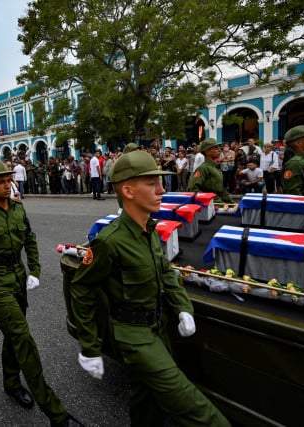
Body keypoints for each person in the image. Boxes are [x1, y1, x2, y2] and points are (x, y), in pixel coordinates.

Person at [70, 150, 231, 427]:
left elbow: (165, 270)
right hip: (133, 336)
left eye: (160, 182)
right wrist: (89, 346)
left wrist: (182, 307)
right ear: (129, 191)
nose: (162, 190)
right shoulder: (109, 242)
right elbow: (81, 290)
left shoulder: (149, 229)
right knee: (195, 409)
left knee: (146, 402)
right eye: (151, 183)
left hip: (157, 327)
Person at [0, 160, 82, 427]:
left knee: (12, 334)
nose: (7, 185)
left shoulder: (18, 208)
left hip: (17, 275)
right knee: (23, 338)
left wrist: (35, 270)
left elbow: (29, 238)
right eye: (0, 181)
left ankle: (11, 382)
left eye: (9, 180)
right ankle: (56, 413)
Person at [189, 138, 234, 203]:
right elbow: (194, 189)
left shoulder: (216, 168)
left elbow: (220, 190)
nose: (219, 150)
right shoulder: (203, 168)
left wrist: (231, 203)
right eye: (216, 148)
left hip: (219, 204)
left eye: (219, 148)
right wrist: (210, 201)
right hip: (211, 207)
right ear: (207, 152)